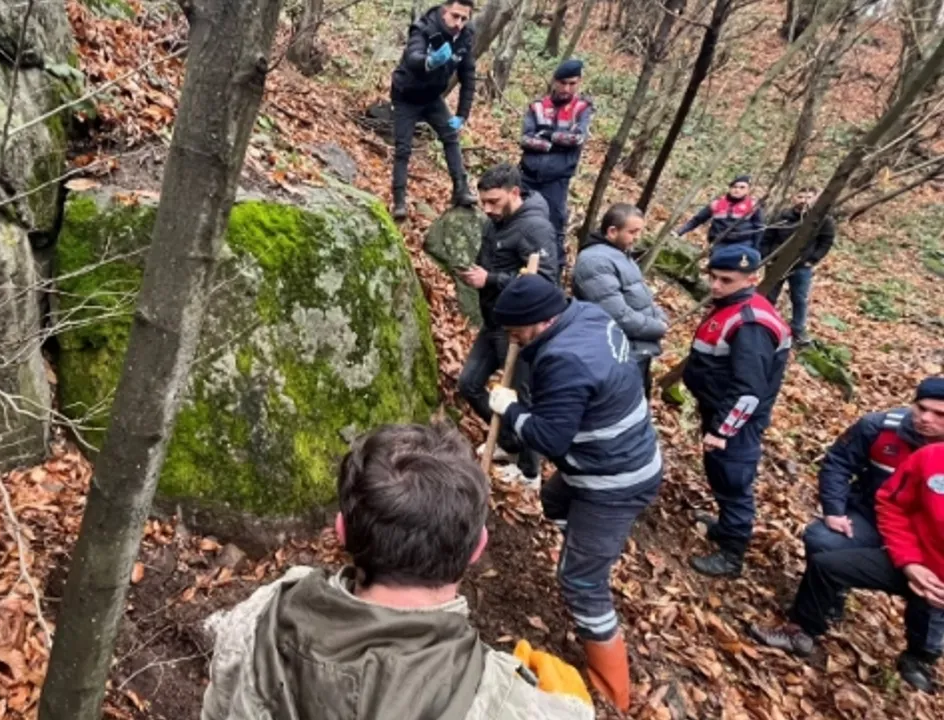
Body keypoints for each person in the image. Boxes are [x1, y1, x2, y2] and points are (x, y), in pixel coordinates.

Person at [199, 423, 595, 720]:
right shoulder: (507, 700)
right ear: (478, 548)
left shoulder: (262, 614)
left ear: (341, 530)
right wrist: (572, 709)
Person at [488, 275, 663, 712]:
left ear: (540, 321)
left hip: (613, 481)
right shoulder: (586, 314)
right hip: (610, 459)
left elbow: (550, 439)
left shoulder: (564, 359)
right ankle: (582, 550)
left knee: (581, 584)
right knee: (554, 500)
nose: (513, 340)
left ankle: (611, 691)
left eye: (515, 331)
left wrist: (510, 408)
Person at [748, 442, 944, 694]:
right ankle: (802, 631)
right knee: (827, 565)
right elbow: (892, 503)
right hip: (912, 558)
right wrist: (909, 562)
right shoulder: (932, 456)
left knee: (928, 620)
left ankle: (919, 659)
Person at [681, 245, 791, 577]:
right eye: (713, 277)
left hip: (736, 422)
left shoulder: (751, 324)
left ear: (751, 279)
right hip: (718, 409)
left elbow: (748, 389)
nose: (715, 286)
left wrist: (722, 431)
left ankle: (732, 554)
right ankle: (726, 526)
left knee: (733, 480)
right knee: (719, 473)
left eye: (726, 280)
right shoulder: (731, 306)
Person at [799, 377, 944, 618]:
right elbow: (838, 463)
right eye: (921, 408)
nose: (926, 418)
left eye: (939, 414)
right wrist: (834, 510)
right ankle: (826, 601)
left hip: (930, 539)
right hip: (871, 517)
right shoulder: (879, 427)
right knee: (823, 539)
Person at [457, 163, 558, 484]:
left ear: (515, 193)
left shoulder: (535, 229)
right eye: (483, 202)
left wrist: (491, 279)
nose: (487, 209)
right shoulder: (496, 221)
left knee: (521, 398)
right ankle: (508, 441)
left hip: (519, 330)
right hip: (493, 321)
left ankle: (530, 471)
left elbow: (545, 281)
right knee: (469, 384)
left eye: (494, 201)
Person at [389, 0, 478, 220]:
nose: (459, 23)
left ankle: (461, 189)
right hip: (406, 95)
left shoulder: (465, 37)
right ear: (444, 11)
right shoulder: (424, 28)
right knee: (403, 148)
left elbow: (468, 77)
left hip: (432, 97)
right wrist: (430, 62)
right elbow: (412, 56)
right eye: (455, 16)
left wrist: (462, 114)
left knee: (451, 136)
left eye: (464, 18)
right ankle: (399, 201)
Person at [572, 204, 668, 398]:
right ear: (612, 231)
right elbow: (617, 315)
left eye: (640, 231)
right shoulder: (595, 261)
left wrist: (660, 316)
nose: (637, 237)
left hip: (637, 349)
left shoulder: (621, 255)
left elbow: (641, 296)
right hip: (618, 352)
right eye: (632, 232)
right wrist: (657, 327)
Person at [518, 59, 594, 273]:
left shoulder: (582, 108)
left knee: (554, 226)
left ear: (579, 82)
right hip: (529, 173)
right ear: (554, 81)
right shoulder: (538, 106)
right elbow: (525, 139)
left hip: (557, 179)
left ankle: (553, 272)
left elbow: (577, 138)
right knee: (518, 216)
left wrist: (547, 136)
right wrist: (555, 143)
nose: (566, 88)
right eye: (562, 83)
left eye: (572, 83)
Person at [760, 187, 836, 345]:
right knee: (769, 295)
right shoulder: (782, 216)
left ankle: (798, 329)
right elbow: (767, 237)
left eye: (808, 197)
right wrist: (767, 256)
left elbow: (826, 242)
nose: (803, 200)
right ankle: (763, 323)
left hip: (801, 265)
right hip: (777, 263)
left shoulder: (823, 220)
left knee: (799, 298)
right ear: (794, 198)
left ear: (815, 199)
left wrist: (812, 259)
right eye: (800, 197)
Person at [675, 175, 764, 249]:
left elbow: (759, 228)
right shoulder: (717, 204)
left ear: (748, 190)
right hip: (719, 243)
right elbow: (697, 220)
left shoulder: (753, 205)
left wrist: (755, 248)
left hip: (743, 244)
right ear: (730, 188)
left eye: (742, 187)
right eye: (734, 187)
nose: (737, 190)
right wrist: (679, 232)